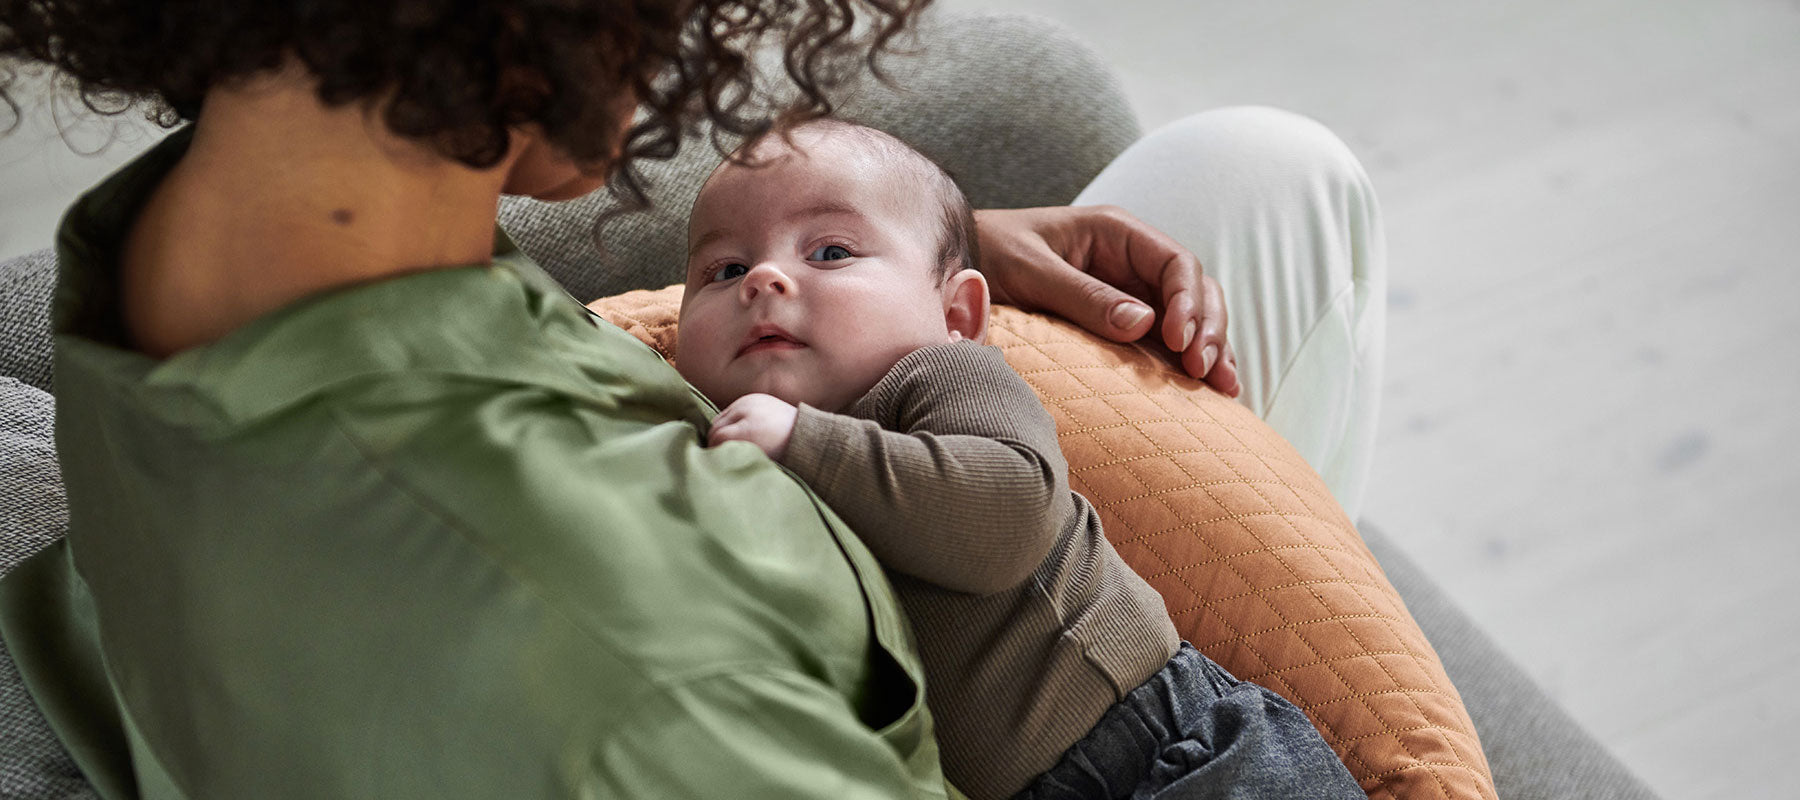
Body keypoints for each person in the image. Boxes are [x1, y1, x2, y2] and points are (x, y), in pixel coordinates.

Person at [0, 1, 1251, 798]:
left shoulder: (168, 265)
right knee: (1262, 178)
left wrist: (888, 278)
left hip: (1156, 706)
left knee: (1236, 171)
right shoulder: (656, 685)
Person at [674, 119, 1361, 800]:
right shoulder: (735, 456)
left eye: (829, 252)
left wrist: (805, 442)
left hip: (1168, 752)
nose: (762, 279)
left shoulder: (942, 378)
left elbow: (1012, 517)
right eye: (725, 269)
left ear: (958, 313)